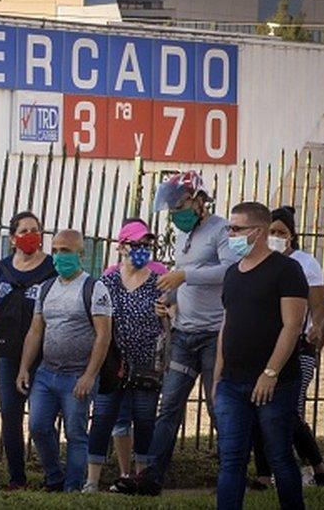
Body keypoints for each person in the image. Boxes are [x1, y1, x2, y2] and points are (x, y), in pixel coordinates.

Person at [114, 171, 239, 496]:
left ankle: (230, 474)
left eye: (179, 205)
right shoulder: (183, 235)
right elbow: (185, 282)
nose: (175, 213)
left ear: (199, 200)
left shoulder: (221, 229)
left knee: (217, 407)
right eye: (170, 208)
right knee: (168, 407)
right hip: (183, 334)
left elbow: (230, 270)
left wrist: (184, 275)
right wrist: (168, 297)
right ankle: (152, 477)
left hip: (214, 334)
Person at [213, 201, 308, 510]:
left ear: (258, 231)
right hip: (232, 383)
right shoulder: (232, 273)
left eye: (237, 229)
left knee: (279, 455)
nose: (231, 234)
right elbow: (226, 325)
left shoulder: (286, 270)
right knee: (231, 458)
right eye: (230, 228)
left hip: (275, 384)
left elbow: (292, 326)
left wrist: (270, 373)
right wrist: (217, 378)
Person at [17, 229, 113, 492]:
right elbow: (36, 330)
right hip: (47, 373)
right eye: (56, 250)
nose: (59, 256)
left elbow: (103, 335)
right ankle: (54, 478)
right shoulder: (46, 288)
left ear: (81, 254)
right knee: (37, 426)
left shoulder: (94, 288)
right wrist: (24, 368)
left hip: (78, 375)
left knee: (75, 433)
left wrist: (89, 375)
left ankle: (72, 488)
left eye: (66, 251)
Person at [250, 206, 324, 488]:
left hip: (299, 348)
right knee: (258, 406)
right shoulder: (258, 261)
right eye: (271, 231)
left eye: (281, 232)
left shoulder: (305, 263)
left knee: (287, 413)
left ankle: (317, 468)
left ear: (292, 236)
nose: (275, 237)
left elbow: (320, 308)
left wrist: (316, 339)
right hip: (262, 347)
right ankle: (263, 475)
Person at [84, 220, 165, 492]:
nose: (142, 250)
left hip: (146, 364)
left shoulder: (157, 281)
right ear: (121, 247)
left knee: (144, 420)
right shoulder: (107, 281)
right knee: (104, 417)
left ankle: (140, 479)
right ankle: (92, 479)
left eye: (146, 245)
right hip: (113, 364)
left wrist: (169, 314)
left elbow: (170, 320)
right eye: (136, 244)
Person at [0, 211, 56, 490]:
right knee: (10, 414)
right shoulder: (3, 267)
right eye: (24, 230)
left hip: (43, 352)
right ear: (12, 238)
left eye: (35, 230)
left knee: (42, 417)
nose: (30, 235)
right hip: (8, 352)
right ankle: (17, 477)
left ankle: (54, 473)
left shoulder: (51, 267)